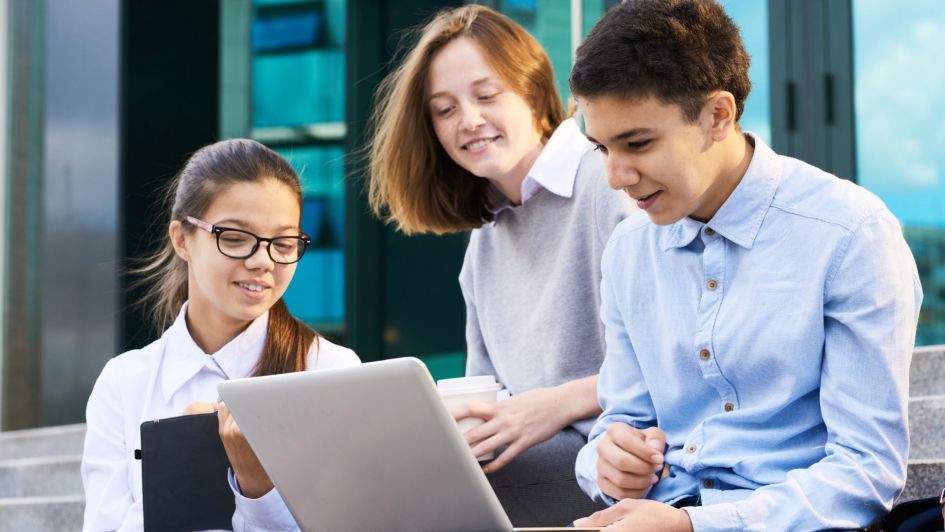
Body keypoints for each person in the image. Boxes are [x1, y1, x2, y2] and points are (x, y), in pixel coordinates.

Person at [566, 1, 923, 530]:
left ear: (718, 115)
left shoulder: (850, 234)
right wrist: (607, 462)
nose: (616, 177)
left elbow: (864, 472)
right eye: (600, 148)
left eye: (637, 143)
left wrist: (696, 527)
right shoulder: (627, 250)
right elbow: (622, 420)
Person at [366, 4, 633, 525]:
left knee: (404, 496)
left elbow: (677, 364)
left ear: (534, 94)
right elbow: (484, 398)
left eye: (487, 96)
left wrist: (552, 405)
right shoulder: (485, 239)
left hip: (615, 462)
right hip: (534, 464)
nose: (468, 120)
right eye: (444, 110)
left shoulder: (609, 185)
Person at [81, 139, 360, 531]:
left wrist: (257, 486)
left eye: (283, 243)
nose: (263, 261)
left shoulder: (330, 371)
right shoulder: (124, 383)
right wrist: (180, 468)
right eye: (234, 238)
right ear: (181, 239)